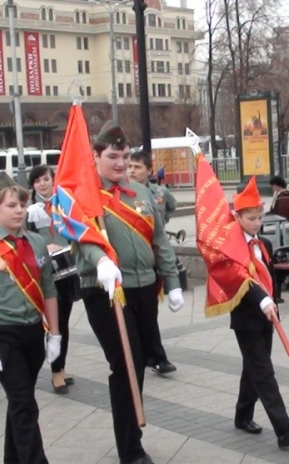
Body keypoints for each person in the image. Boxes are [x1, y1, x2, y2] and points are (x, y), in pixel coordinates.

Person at [75, 122, 183, 464]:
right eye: (112, 156)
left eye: (124, 155)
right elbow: (81, 237)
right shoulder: (86, 194)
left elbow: (160, 241)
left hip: (145, 289)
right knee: (126, 365)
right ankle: (130, 449)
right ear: (96, 156)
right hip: (106, 292)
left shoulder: (143, 192)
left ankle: (132, 438)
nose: (120, 163)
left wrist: (173, 282)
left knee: (138, 366)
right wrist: (101, 262)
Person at [0, 172, 60, 464]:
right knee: (24, 404)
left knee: (19, 403)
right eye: (10, 205)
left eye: (21, 203)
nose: (19, 209)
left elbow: (49, 290)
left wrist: (55, 334)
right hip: (2, 334)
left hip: (33, 332)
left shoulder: (36, 241)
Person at [227, 177, 289, 449]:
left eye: (259, 217)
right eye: (251, 218)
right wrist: (262, 301)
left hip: (268, 316)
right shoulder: (233, 247)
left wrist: (273, 301)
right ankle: (284, 430)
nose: (257, 222)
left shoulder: (264, 245)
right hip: (246, 319)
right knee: (264, 372)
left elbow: (269, 277)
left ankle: (242, 415)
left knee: (253, 366)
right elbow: (240, 280)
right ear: (237, 216)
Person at [26, 165, 82, 394]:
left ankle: (61, 366)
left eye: (46, 179)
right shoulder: (29, 211)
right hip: (44, 274)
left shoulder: (64, 204)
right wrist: (42, 246)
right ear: (33, 185)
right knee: (51, 323)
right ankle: (54, 371)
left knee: (63, 323)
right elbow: (25, 241)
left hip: (66, 270)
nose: (42, 184)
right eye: (37, 181)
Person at [128, 150, 178, 374]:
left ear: (149, 170)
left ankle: (151, 354)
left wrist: (162, 221)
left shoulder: (158, 193)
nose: (132, 171)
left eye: (137, 167)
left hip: (155, 255)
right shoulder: (124, 195)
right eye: (130, 166)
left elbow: (170, 206)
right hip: (133, 262)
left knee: (150, 311)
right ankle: (154, 355)